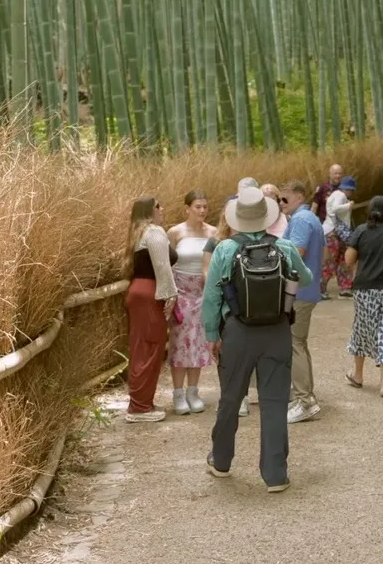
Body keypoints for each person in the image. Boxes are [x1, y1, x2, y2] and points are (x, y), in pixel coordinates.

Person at [202, 186, 311, 491]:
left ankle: (221, 461)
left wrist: (212, 335)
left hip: (237, 331)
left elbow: (211, 297)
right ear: (266, 217)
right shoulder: (285, 248)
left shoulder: (224, 249)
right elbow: (306, 278)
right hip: (276, 331)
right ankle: (275, 474)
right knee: (274, 403)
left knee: (230, 399)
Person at [124, 195, 175, 423]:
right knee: (150, 348)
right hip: (150, 293)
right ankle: (140, 407)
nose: (162, 208)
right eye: (158, 205)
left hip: (138, 291)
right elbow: (162, 267)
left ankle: (142, 402)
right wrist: (170, 295)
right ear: (149, 211)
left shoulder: (137, 234)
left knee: (141, 346)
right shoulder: (154, 232)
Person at [345, 196, 383, 397]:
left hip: (363, 288)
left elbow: (349, 260)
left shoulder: (360, 230)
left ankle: (358, 375)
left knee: (361, 328)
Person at [167, 191, 217, 414]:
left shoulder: (213, 232)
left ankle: (193, 391)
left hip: (202, 292)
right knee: (179, 342)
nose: (202, 211)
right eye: (197, 206)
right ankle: (178, 393)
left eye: (205, 206)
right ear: (187, 208)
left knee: (198, 340)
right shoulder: (175, 232)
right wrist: (170, 295)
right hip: (180, 292)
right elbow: (166, 264)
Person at [281, 180, 326, 424]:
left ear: (298, 197)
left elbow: (296, 252)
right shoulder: (311, 219)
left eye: (284, 198)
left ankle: (304, 400)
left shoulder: (300, 220)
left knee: (294, 343)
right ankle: (305, 394)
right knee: (299, 342)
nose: (281, 203)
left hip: (298, 292)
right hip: (306, 290)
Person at [322, 176, 358, 298]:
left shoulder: (335, 194)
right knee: (330, 261)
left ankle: (345, 286)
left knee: (342, 259)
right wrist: (349, 205)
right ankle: (321, 288)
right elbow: (335, 209)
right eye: (352, 190)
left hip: (334, 232)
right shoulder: (340, 195)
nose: (352, 193)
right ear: (348, 189)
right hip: (334, 232)